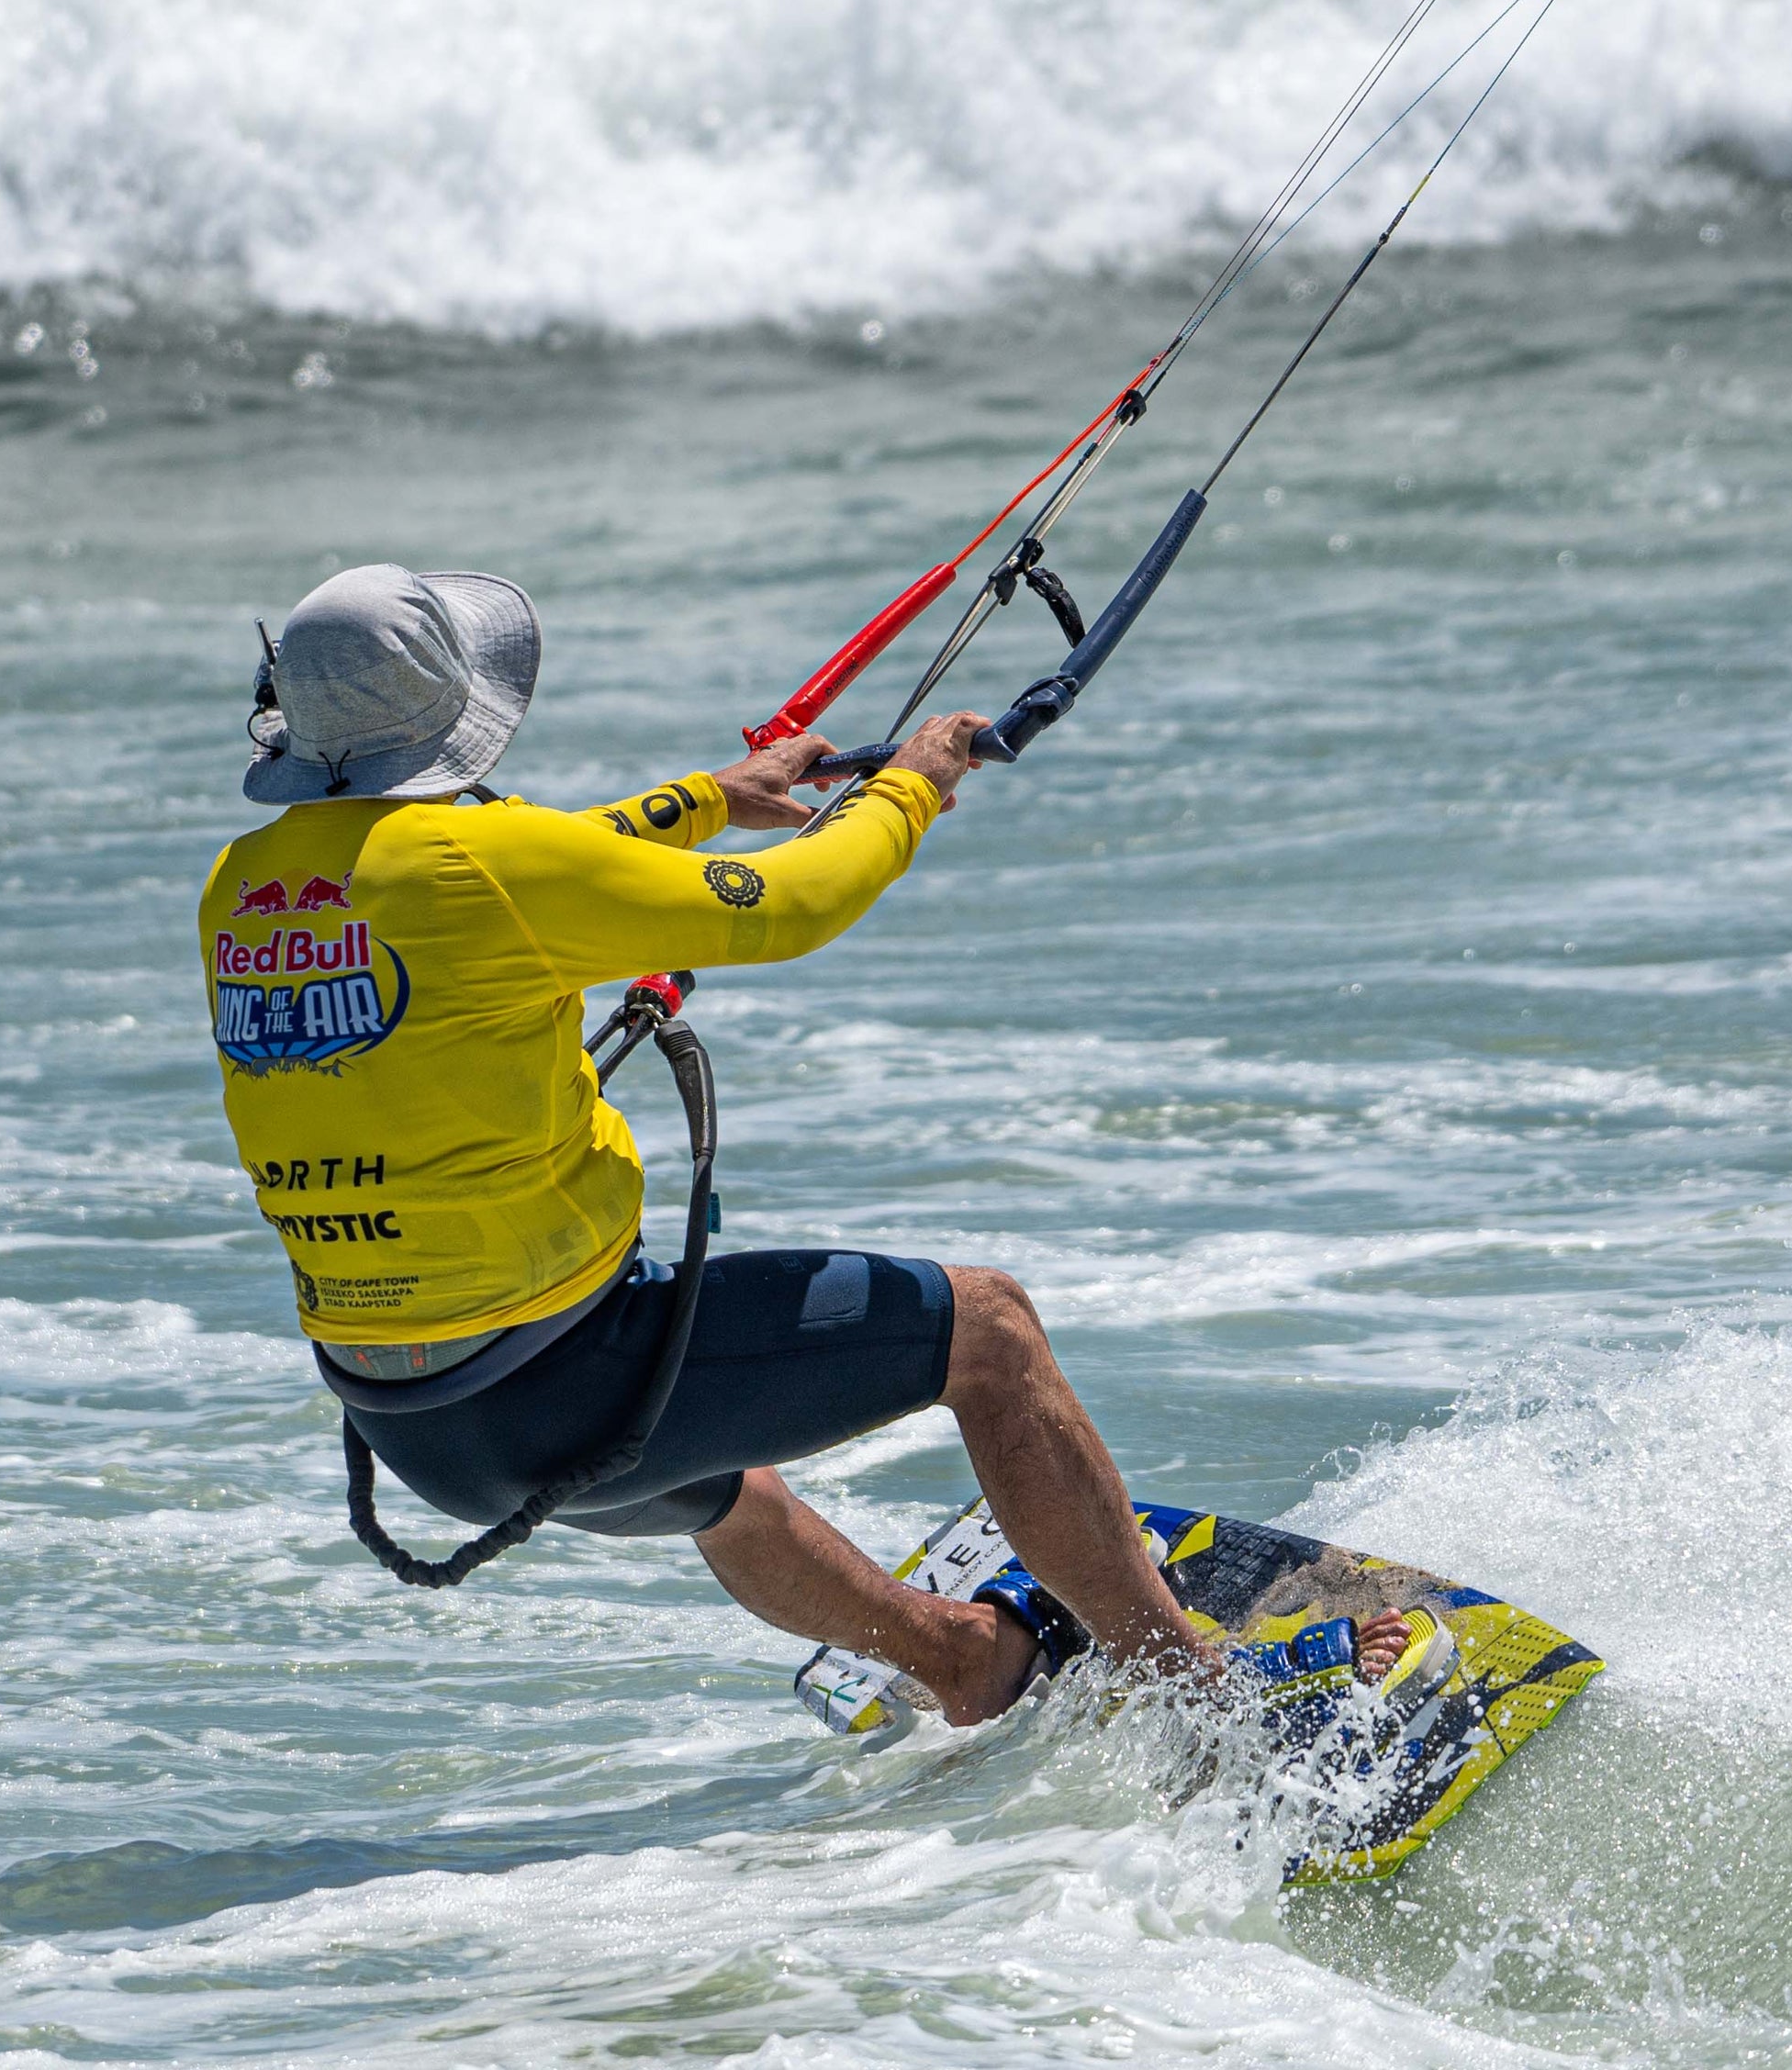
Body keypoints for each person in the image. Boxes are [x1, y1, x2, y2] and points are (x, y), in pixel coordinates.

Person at [202, 562, 1396, 1723]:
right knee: (988, 1331)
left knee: (726, 1484)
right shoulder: (489, 869)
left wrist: (708, 799)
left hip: (414, 1426)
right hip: (567, 1385)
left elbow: (548, 867)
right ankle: (1196, 1683)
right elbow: (791, 903)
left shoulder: (245, 887)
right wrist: (914, 784)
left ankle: (962, 1659)